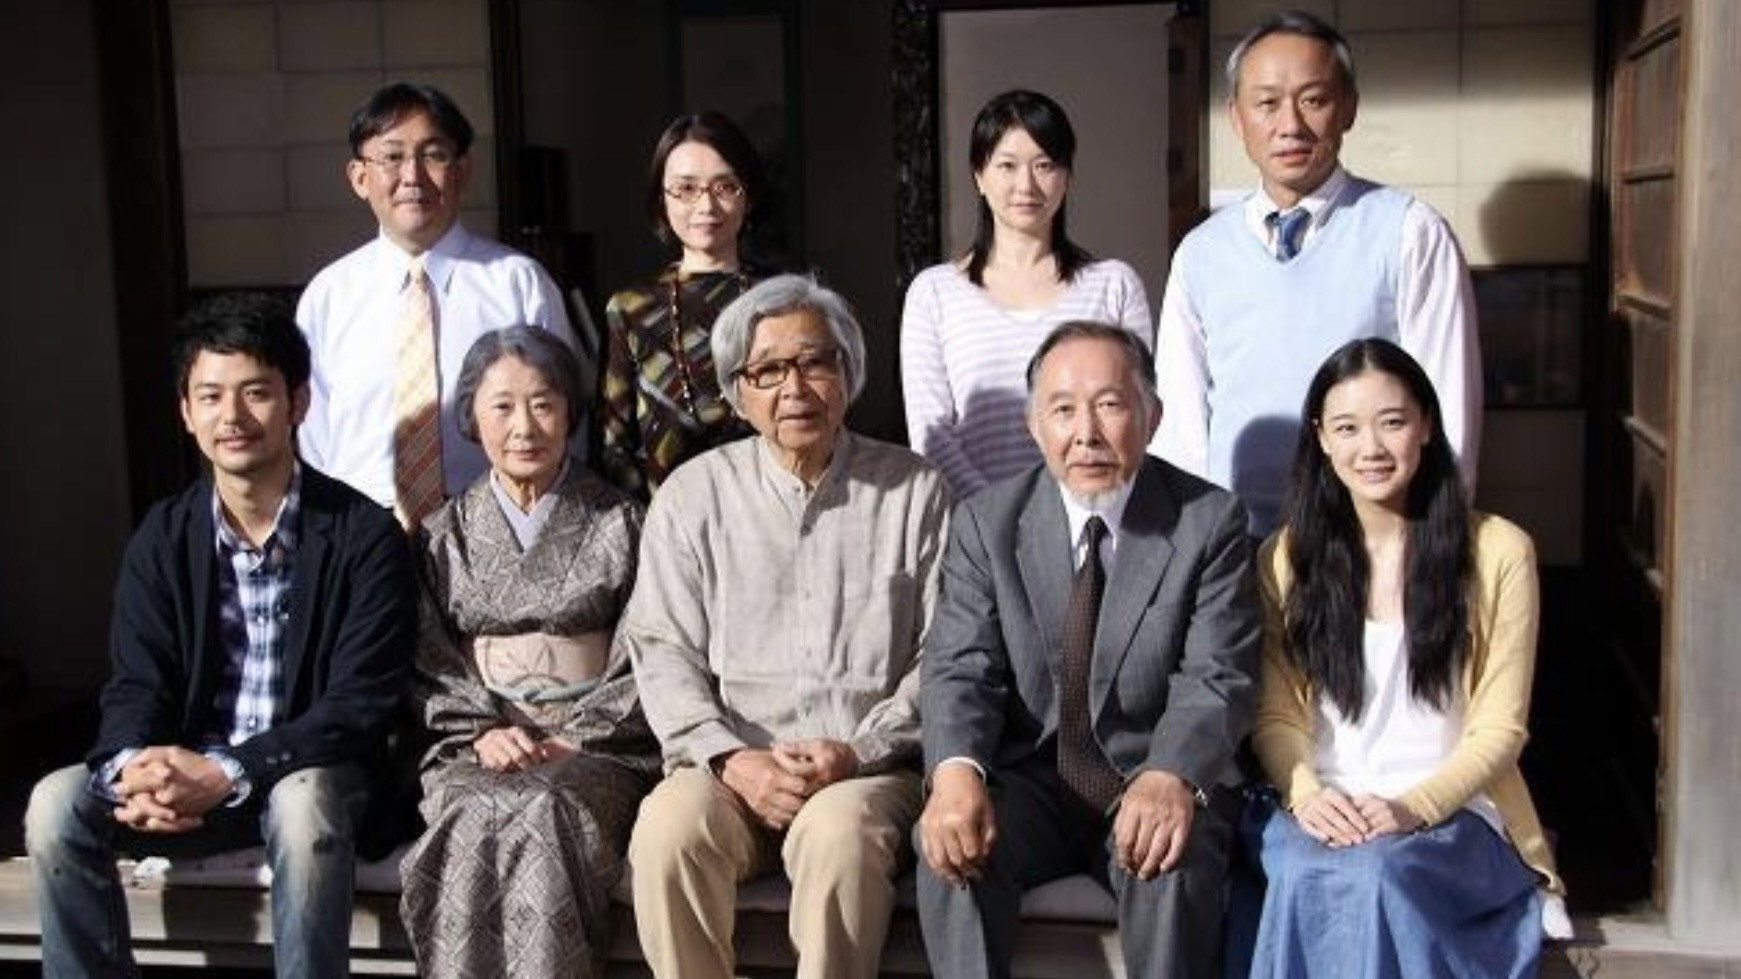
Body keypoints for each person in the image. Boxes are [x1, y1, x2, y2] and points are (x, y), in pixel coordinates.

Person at [25, 293, 414, 979]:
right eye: (210, 396)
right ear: (186, 411)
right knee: (57, 802)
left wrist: (229, 771)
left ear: (298, 403)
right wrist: (134, 769)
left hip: (309, 771)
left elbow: (360, 705)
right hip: (191, 775)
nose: (231, 416)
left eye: (255, 392)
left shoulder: (364, 535)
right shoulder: (163, 536)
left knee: (302, 804)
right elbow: (136, 681)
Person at [621, 275, 951, 979]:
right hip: (730, 768)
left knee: (838, 835)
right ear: (738, 393)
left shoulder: (914, 490)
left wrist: (855, 752)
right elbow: (661, 649)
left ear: (847, 374)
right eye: (767, 371)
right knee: (667, 830)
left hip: (864, 772)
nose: (794, 387)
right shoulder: (693, 495)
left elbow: (943, 656)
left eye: (813, 362)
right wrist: (731, 759)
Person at [917, 320, 1260, 979]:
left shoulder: (1207, 521)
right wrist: (955, 773)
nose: (1087, 433)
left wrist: (1170, 772)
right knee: (951, 846)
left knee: (1173, 852)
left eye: (1109, 404)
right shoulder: (986, 523)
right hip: (1030, 784)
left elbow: (1217, 675)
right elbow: (961, 668)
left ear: (1152, 417)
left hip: (1149, 774)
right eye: (1063, 410)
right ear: (1032, 425)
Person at [1248, 338, 1568, 978]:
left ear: (1425, 424)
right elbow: (1275, 714)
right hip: (1325, 803)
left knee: (1380, 874)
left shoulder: (1499, 551)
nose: (1371, 447)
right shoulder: (1286, 558)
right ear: (1321, 439)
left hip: (1453, 811)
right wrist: (1307, 794)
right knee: (1305, 870)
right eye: (1347, 428)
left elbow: (1501, 730)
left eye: (1391, 422)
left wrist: (1412, 808)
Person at [1151, 11, 1481, 535]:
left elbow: (1449, 404)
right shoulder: (1201, 252)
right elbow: (1181, 422)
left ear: (1348, 107)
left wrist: (1431, 537)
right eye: (1267, 103)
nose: (1290, 125)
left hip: (1370, 538)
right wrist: (1191, 544)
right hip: (1235, 542)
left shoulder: (1410, 231)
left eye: (1313, 100)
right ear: (1236, 117)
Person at [398, 327, 661, 977]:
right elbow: (429, 656)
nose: (524, 427)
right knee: (471, 808)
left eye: (543, 404)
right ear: (471, 418)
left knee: (547, 805)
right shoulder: (441, 535)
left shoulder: (622, 521)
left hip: (599, 746)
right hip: (478, 742)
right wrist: (481, 730)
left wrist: (580, 735)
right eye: (502, 406)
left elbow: (650, 643)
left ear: (570, 411)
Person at [296, 82, 578, 528]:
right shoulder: (328, 296)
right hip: (361, 531)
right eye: (392, 157)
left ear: (462, 171)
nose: (412, 176)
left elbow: (566, 418)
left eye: (433, 155)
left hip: (494, 527)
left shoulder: (518, 282)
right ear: (359, 177)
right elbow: (314, 439)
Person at [902, 89, 1153, 499]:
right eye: (1007, 165)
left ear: (1067, 177)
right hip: (978, 523)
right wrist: (999, 515)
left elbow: (1139, 410)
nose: (1026, 184)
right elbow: (932, 434)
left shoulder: (1114, 285)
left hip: (1095, 517)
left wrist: (1072, 516)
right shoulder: (934, 294)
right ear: (979, 176)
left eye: (1044, 165)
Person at [598, 111, 775, 499]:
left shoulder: (785, 301)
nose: (706, 205)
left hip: (773, 518)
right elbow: (615, 447)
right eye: (686, 189)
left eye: (725, 186)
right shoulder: (631, 309)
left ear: (749, 194)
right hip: (665, 520)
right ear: (661, 199)